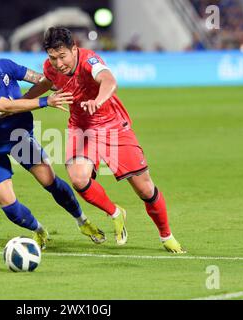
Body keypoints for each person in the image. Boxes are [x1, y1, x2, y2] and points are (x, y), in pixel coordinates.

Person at [24, 27, 185, 253]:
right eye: (53, 57)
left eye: (62, 56)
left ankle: (166, 235)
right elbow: (44, 84)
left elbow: (109, 80)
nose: (58, 63)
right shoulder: (50, 67)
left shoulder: (90, 60)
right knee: (79, 179)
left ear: (74, 48)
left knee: (145, 190)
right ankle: (116, 213)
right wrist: (19, 104)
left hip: (112, 125)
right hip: (81, 127)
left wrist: (98, 100)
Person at [0, 33, 106, 249]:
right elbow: (6, 106)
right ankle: (39, 230)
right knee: (8, 205)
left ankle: (83, 221)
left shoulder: (5, 66)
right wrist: (46, 101)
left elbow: (39, 79)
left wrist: (60, 82)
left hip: (19, 138)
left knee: (51, 182)